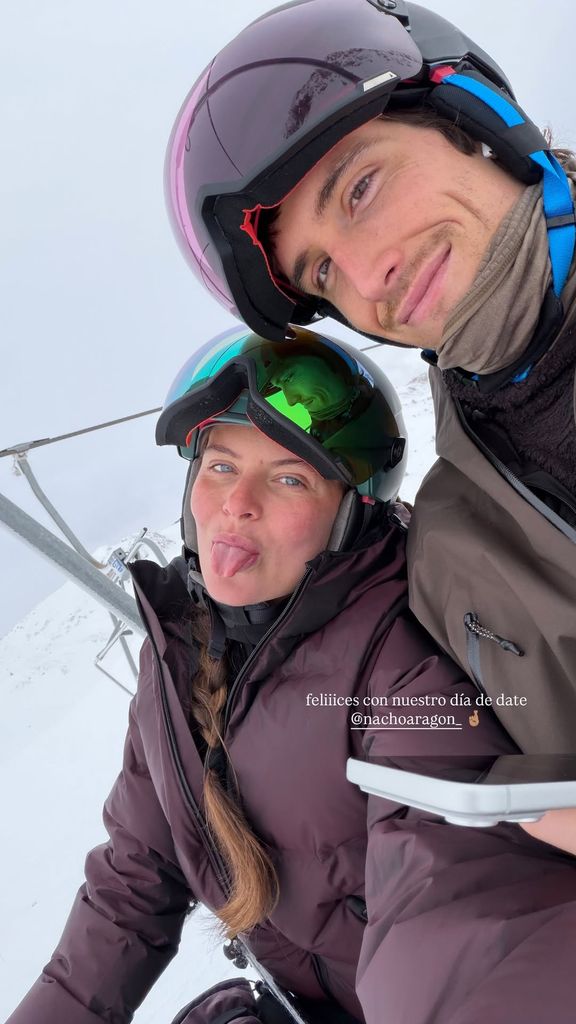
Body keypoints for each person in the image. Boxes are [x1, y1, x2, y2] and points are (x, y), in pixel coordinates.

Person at [8, 325, 576, 1024]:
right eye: (219, 466)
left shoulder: (406, 664)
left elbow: (454, 902)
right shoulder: (178, 653)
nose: (236, 502)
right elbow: (135, 881)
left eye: (288, 478)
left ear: (349, 514)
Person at [164, 0, 576, 753]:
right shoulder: (459, 553)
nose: (368, 275)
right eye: (320, 272)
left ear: (469, 120)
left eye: (360, 188)